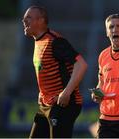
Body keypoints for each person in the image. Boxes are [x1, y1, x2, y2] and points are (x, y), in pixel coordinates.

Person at [22, 6, 87, 138]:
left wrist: (66, 92)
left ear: (40, 21)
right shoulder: (39, 41)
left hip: (63, 104)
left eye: (28, 17)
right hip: (46, 105)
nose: (24, 20)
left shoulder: (55, 41)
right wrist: (42, 93)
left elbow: (81, 64)